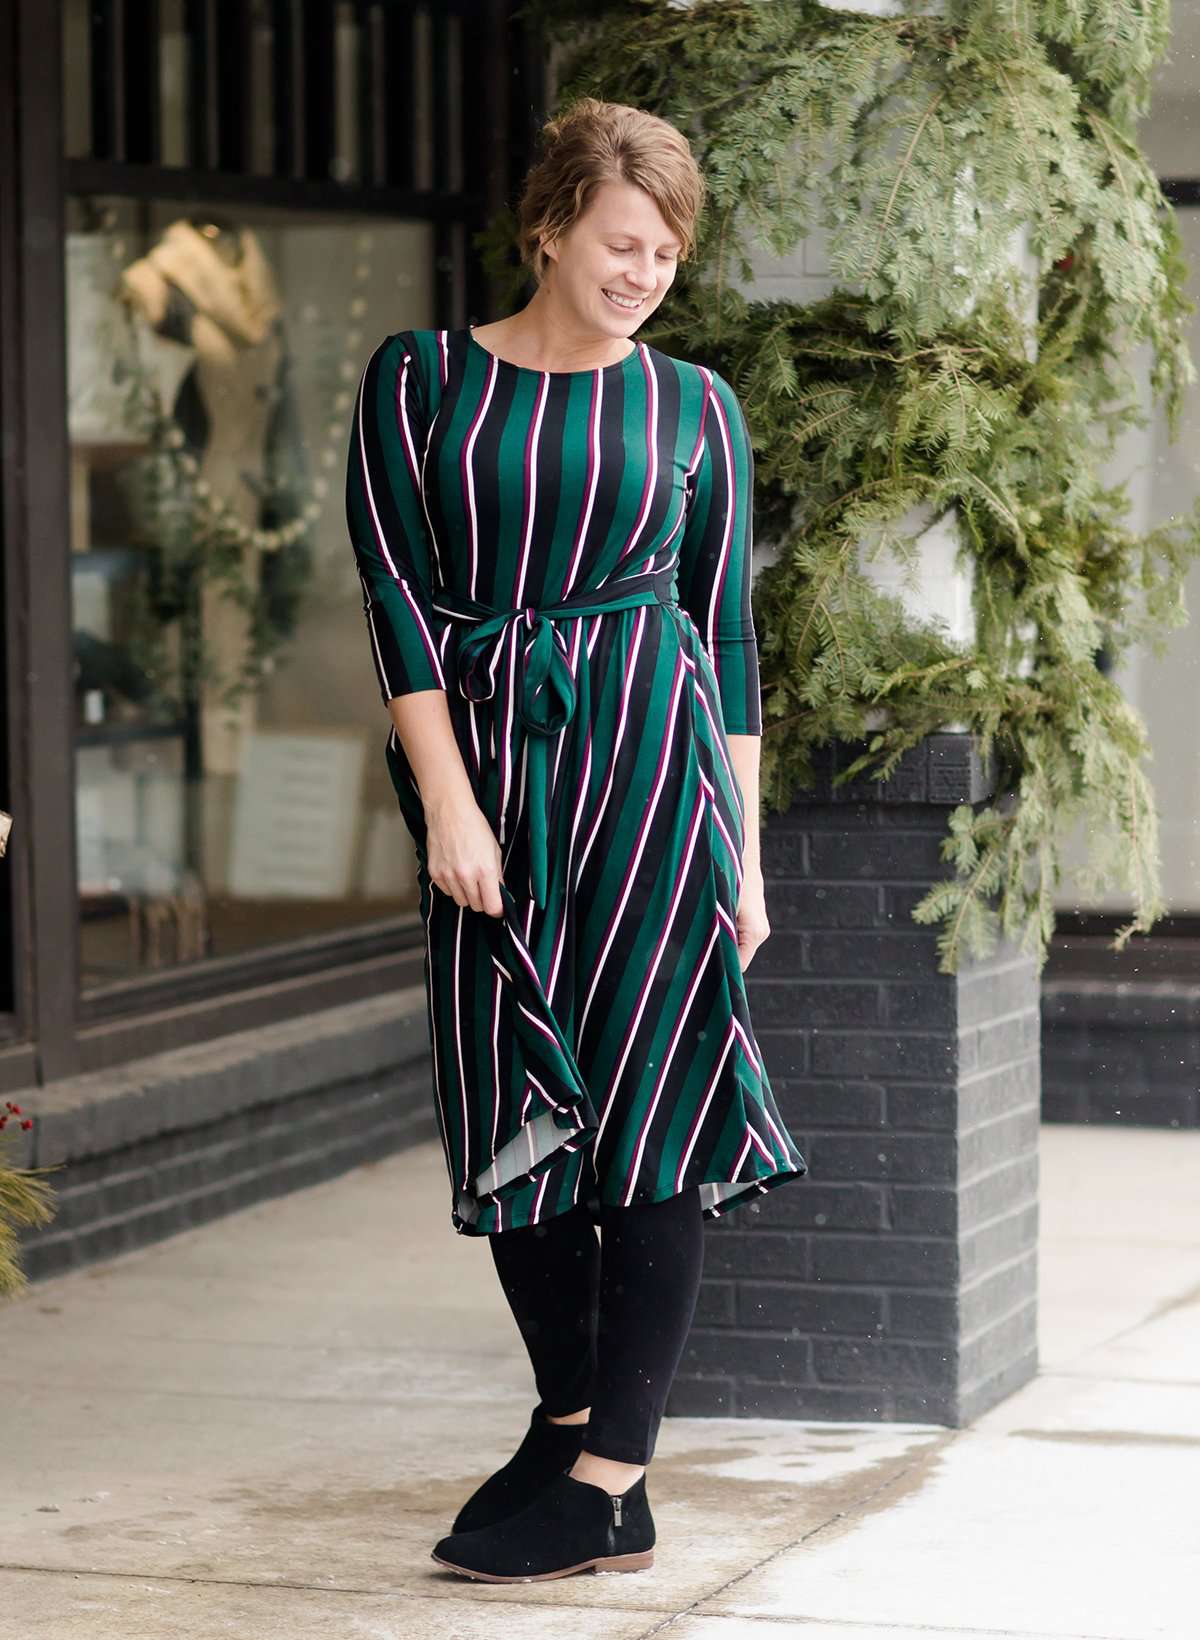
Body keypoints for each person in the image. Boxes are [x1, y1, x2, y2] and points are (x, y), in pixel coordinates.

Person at [346, 96, 808, 1584]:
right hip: (489, 767)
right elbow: (399, 602)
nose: (643, 272)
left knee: (656, 1102)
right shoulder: (420, 381)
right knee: (509, 1101)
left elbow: (724, 641)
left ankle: (612, 1474)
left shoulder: (696, 409)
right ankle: (568, 1419)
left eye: (667, 252)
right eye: (623, 242)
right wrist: (453, 807)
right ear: (549, 226)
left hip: (654, 776)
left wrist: (741, 853)